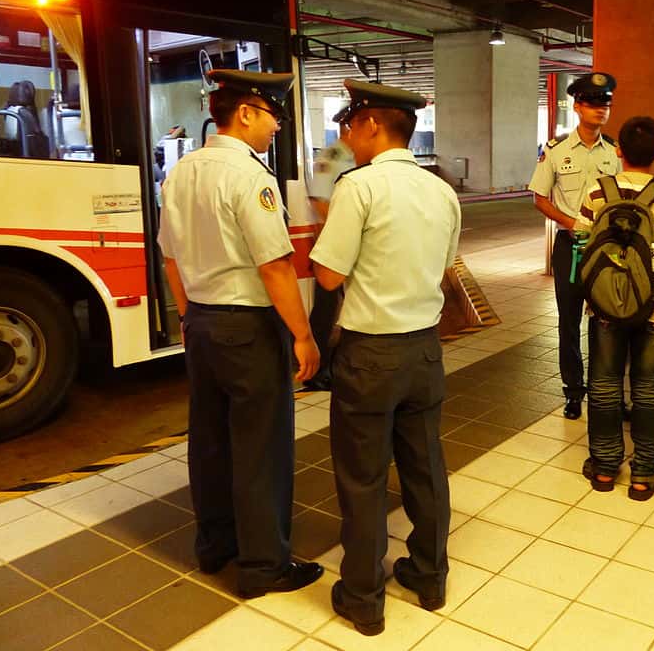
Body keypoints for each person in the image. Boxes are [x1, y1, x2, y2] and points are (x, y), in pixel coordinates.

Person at [157, 69, 322, 599]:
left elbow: (170, 256)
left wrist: (187, 316)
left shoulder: (181, 171)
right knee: (261, 448)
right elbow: (274, 265)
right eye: (273, 115)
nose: (277, 127)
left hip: (202, 323)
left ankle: (214, 547)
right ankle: (264, 566)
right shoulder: (251, 177)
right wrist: (303, 335)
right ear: (247, 112)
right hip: (247, 328)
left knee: (209, 441)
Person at [311, 78, 461, 636]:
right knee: (426, 467)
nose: (346, 136)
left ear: (373, 124)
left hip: (369, 355)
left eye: (349, 125)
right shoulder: (441, 190)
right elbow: (446, 264)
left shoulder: (359, 187)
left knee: (363, 478)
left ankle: (364, 598)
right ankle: (429, 575)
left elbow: (328, 274)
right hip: (424, 351)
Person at [575, 116, 654, 501]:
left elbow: (582, 240)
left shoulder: (598, 191)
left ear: (619, 151)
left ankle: (605, 468)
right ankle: (644, 473)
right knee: (647, 390)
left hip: (605, 307)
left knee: (605, 386)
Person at [529, 72, 620, 420]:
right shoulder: (556, 151)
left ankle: (605, 389)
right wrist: (571, 223)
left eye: (606, 104)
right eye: (595, 104)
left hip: (605, 249)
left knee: (607, 321)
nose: (602, 110)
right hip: (570, 247)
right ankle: (573, 391)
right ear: (578, 106)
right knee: (568, 324)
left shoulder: (614, 151)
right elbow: (539, 197)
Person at [304, 122, 355, 391]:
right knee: (325, 310)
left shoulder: (356, 156)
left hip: (348, 241)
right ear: (348, 126)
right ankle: (316, 370)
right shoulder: (332, 156)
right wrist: (340, 233)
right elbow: (319, 201)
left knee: (346, 306)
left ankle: (335, 365)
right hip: (331, 242)